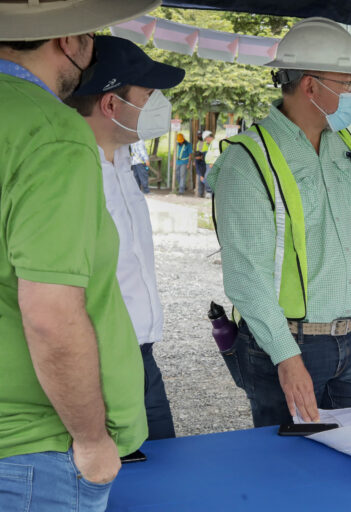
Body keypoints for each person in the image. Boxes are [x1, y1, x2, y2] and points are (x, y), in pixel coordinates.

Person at [0, 1, 157, 510]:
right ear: (70, 40)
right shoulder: (50, 132)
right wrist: (92, 443)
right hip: (32, 448)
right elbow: (51, 314)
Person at [207, 17, 351, 427]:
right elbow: (245, 273)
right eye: (347, 83)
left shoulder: (343, 144)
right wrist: (286, 356)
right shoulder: (248, 159)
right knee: (290, 476)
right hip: (291, 346)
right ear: (310, 86)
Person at [65, 35, 185, 441]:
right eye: (148, 94)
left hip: (142, 358)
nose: (158, 106)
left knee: (163, 483)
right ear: (110, 104)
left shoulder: (121, 164)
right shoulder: (69, 171)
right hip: (97, 365)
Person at [195, 129, 211, 197]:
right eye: (198, 135)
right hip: (200, 159)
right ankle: (200, 193)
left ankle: (207, 192)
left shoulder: (207, 142)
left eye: (200, 135)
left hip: (206, 159)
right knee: (200, 178)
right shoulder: (198, 143)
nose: (199, 136)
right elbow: (197, 154)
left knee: (206, 177)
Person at [203, 130, 218, 197]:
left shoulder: (214, 143)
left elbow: (217, 154)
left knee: (208, 177)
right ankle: (211, 192)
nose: (206, 141)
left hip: (211, 164)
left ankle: (210, 192)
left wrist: (214, 163)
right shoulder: (211, 143)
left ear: (208, 137)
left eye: (206, 139)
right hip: (209, 164)